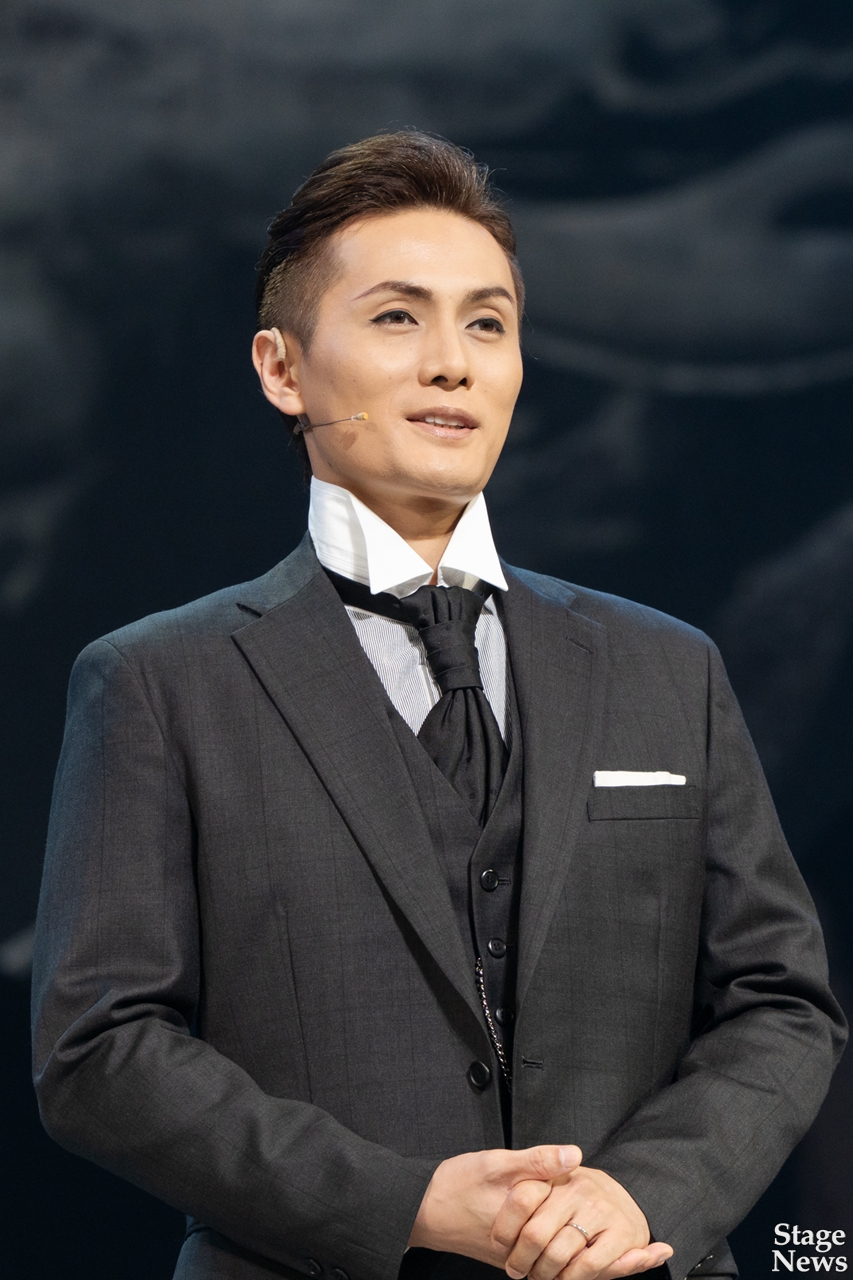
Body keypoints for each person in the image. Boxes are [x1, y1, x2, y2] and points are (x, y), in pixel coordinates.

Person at [32, 131, 845, 1280]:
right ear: (281, 369)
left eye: (486, 323)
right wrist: (399, 1202)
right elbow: (99, 1049)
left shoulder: (669, 667)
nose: (451, 363)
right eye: (397, 317)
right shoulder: (160, 682)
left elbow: (783, 1002)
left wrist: (642, 1191)